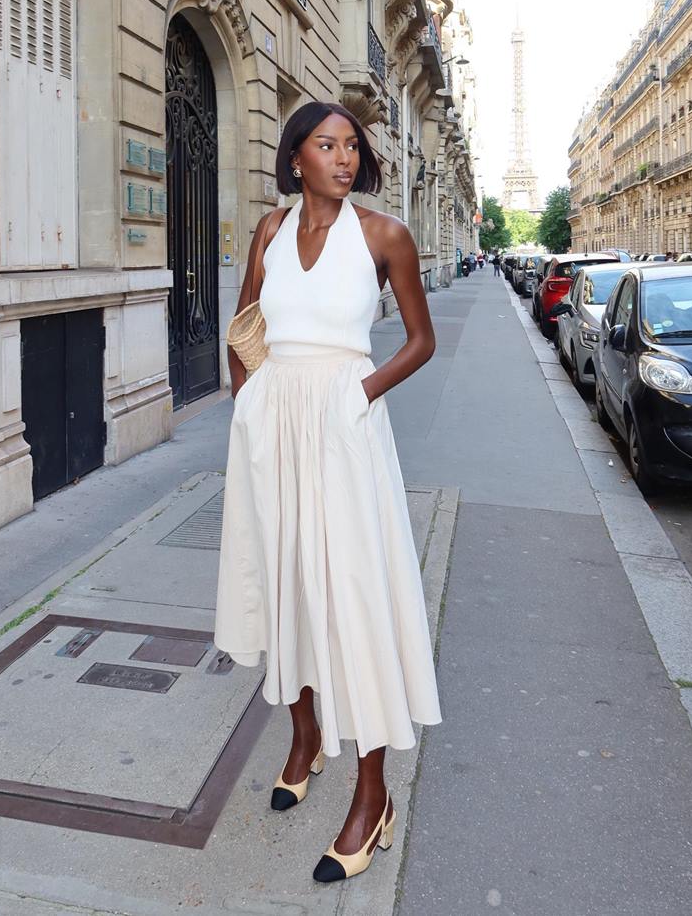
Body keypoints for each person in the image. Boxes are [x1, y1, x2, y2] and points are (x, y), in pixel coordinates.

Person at [215, 102, 441, 884]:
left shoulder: (384, 237)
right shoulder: (272, 233)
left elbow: (421, 340)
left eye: (351, 146)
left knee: (352, 604)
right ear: (295, 159)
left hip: (347, 435)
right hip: (274, 430)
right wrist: (247, 401)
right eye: (326, 145)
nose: (343, 158)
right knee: (289, 589)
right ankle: (304, 740)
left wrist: (362, 393)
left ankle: (372, 796)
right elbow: (246, 322)